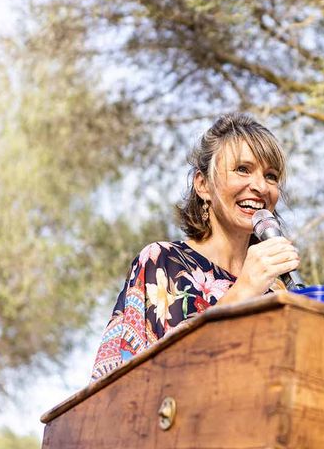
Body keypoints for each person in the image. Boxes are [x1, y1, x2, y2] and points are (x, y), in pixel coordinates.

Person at [91, 113, 300, 381]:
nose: (260, 186)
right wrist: (244, 290)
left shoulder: (278, 290)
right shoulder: (163, 263)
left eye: (271, 176)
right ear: (203, 185)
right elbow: (124, 380)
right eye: (243, 169)